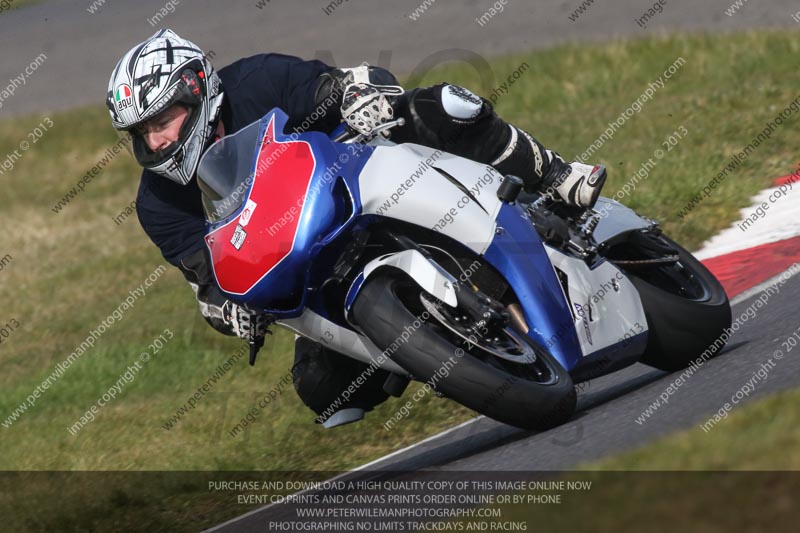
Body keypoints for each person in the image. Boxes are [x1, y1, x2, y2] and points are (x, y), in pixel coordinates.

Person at [106, 29, 606, 427]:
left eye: (164, 119)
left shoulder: (259, 79)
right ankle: (429, 349)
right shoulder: (159, 204)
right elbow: (208, 277)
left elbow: (342, 82)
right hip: (312, 274)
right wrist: (226, 308)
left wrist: (359, 95)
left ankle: (558, 177)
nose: (157, 140)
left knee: (441, 106)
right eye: (143, 132)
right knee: (322, 390)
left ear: (198, 89)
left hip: (365, 182)